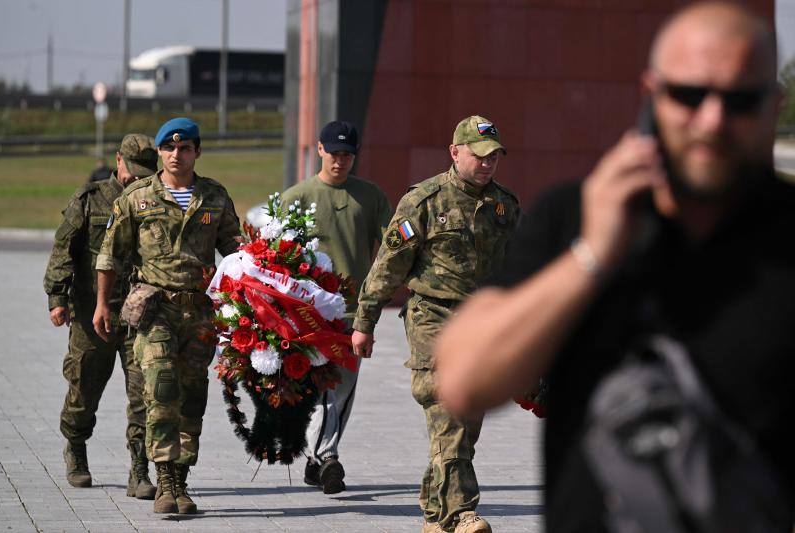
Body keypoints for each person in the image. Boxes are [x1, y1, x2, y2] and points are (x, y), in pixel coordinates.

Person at [435, 3, 794, 531]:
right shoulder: (574, 215)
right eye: (689, 95)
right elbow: (465, 382)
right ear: (651, 96)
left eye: (740, 100)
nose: (713, 120)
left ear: (774, 105)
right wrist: (593, 255)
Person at [352, 115, 520, 533]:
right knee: (447, 406)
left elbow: (521, 268)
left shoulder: (505, 206)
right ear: (455, 152)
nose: (487, 163)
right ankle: (461, 513)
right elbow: (388, 266)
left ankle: (434, 511)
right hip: (433, 316)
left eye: (494, 156)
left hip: (481, 322)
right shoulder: (424, 201)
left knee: (467, 420)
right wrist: (365, 321)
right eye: (479, 155)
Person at [93, 118, 241, 515]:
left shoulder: (214, 196)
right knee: (160, 388)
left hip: (200, 312)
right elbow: (110, 255)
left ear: (197, 152)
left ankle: (182, 476)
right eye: (170, 148)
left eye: (186, 147)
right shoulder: (137, 197)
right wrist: (102, 303)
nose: (178, 154)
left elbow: (237, 251)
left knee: (192, 397)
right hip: (155, 309)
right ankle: (165, 480)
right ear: (159, 153)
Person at [277, 120, 392, 494]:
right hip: (306, 314)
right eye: (334, 152)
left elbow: (393, 250)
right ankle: (325, 457)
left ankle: (321, 457)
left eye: (347, 154)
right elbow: (276, 258)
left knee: (341, 389)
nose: (340, 161)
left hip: (352, 312)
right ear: (319, 149)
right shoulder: (297, 196)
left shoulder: (370, 197)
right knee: (317, 390)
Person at [44, 134, 158, 498]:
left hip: (139, 313)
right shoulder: (89, 199)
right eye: (133, 171)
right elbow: (65, 248)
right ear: (118, 161)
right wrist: (57, 297)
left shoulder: (153, 200)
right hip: (91, 311)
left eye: (145, 173)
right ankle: (75, 447)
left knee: (144, 392)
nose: (137, 179)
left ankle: (139, 469)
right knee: (84, 386)